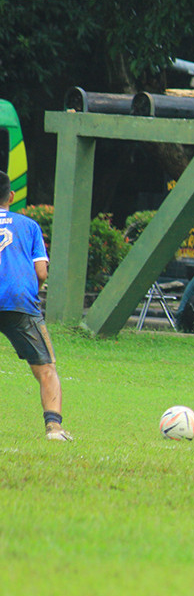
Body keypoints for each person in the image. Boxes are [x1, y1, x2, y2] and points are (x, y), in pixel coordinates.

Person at [0, 171, 72, 441]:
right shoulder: (28, 226)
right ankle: (54, 428)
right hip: (20, 301)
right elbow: (41, 272)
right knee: (45, 369)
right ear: (11, 196)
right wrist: (34, 293)